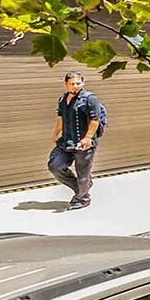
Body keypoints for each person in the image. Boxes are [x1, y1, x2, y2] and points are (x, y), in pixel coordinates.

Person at [49, 71, 107, 210]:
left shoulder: (90, 99)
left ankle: (82, 198)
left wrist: (87, 138)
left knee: (83, 175)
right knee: (55, 166)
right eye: (72, 83)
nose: (76, 86)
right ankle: (83, 187)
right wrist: (55, 133)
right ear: (66, 84)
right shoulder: (63, 99)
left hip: (84, 144)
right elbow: (61, 119)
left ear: (83, 83)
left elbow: (95, 120)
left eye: (78, 83)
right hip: (66, 142)